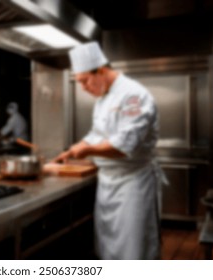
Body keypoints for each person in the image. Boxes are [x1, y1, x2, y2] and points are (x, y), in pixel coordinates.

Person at [53, 42, 166, 260]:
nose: (84, 88)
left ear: (102, 70)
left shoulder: (134, 95)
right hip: (107, 183)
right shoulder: (103, 98)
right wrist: (74, 149)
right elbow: (98, 133)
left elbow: (125, 145)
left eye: (85, 81)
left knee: (134, 250)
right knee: (108, 249)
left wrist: (87, 150)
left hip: (133, 184)